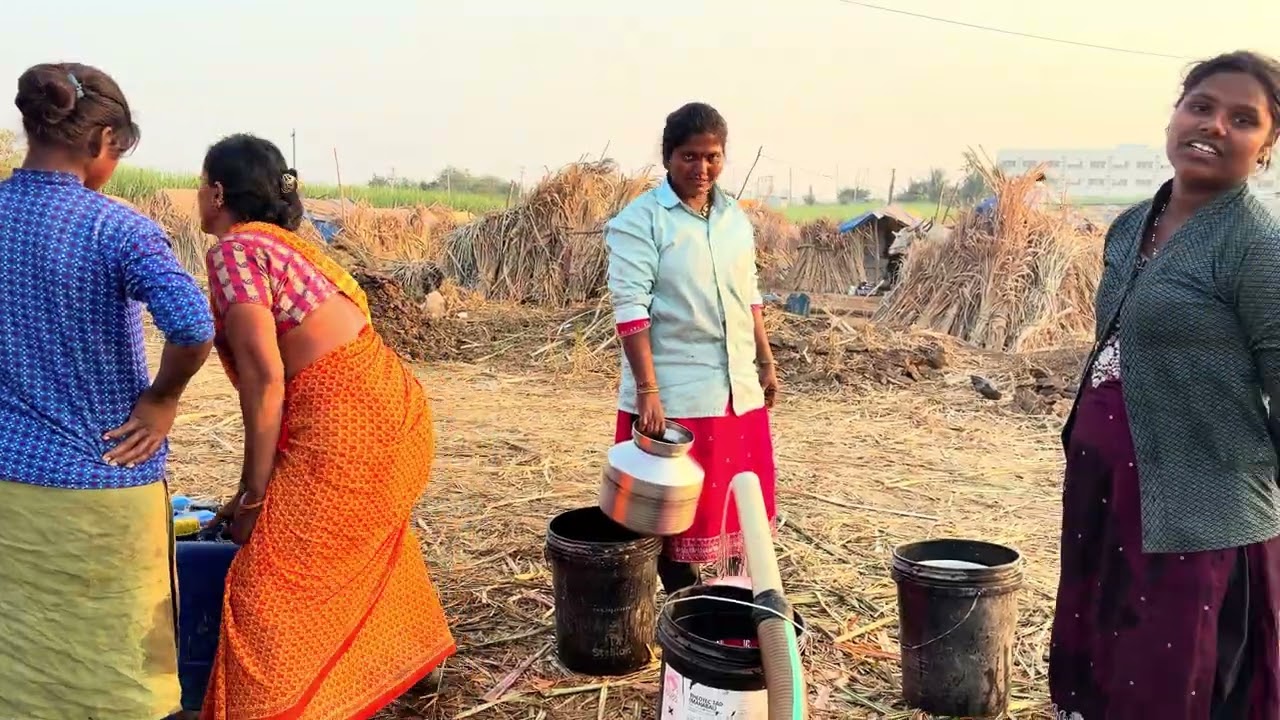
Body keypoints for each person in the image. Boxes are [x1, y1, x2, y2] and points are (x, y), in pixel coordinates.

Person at [1050, 50, 1280, 718]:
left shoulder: (1256, 246)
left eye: (1243, 119)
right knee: (1104, 644)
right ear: (1175, 114)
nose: (1214, 126)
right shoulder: (1131, 225)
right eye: (1200, 106)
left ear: (1266, 146)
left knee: (1166, 669)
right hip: (1105, 482)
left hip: (1198, 505)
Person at [196, 134, 455, 720]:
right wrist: (252, 490)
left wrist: (253, 497)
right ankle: (410, 665)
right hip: (395, 413)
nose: (199, 195)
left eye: (202, 184)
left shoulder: (236, 251)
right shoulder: (290, 248)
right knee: (361, 542)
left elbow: (266, 380)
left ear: (218, 193)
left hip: (349, 427)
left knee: (264, 586)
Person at [0, 63, 214, 719]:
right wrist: (163, 398)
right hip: (104, 482)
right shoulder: (116, 228)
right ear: (102, 143)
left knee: (18, 667)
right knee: (119, 676)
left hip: (9, 485)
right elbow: (192, 324)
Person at [605, 102, 780, 593]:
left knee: (737, 508)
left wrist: (765, 360)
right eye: (689, 156)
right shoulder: (641, 221)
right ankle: (686, 603)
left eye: (712, 157)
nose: (701, 168)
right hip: (676, 395)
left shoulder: (734, 219)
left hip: (736, 390)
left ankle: (726, 600)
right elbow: (631, 311)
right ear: (667, 156)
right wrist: (648, 391)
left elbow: (750, 295)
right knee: (674, 517)